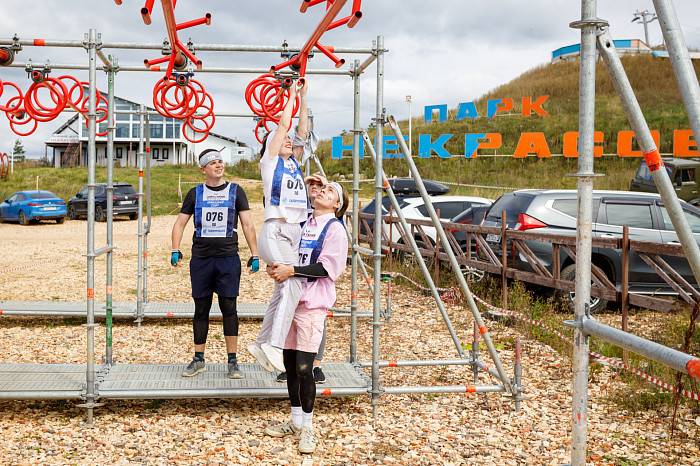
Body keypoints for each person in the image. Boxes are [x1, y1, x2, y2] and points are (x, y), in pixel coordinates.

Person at [264, 181, 349, 454]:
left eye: (331, 192)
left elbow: (326, 268)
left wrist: (291, 270)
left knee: (304, 368)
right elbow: (284, 251)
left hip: (312, 305)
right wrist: (276, 266)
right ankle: (296, 422)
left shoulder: (334, 229)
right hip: (290, 300)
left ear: (337, 205)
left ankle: (309, 428)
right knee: (289, 366)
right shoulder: (301, 223)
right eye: (322, 188)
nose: (323, 191)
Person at [171, 149, 259, 379]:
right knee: (201, 309)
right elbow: (180, 223)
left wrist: (255, 253)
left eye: (221, 161)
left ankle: (232, 361)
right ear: (203, 169)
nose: (219, 165)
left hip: (228, 258)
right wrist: (175, 249)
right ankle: (198, 358)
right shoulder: (195, 193)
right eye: (213, 163)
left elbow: (248, 224)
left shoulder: (236, 191)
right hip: (201, 258)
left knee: (229, 308)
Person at [247, 79, 313, 373]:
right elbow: (285, 127)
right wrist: (288, 96)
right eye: (281, 139)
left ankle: (262, 343)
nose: (288, 141)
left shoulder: (295, 164)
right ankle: (275, 343)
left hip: (295, 232)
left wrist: (304, 97)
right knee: (294, 283)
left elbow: (300, 131)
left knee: (283, 289)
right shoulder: (269, 162)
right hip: (276, 229)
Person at [277, 173, 328, 384]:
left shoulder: (327, 213)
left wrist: (326, 185)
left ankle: (316, 365)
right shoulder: (299, 210)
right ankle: (288, 363)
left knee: (316, 320)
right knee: (289, 316)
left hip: (314, 272)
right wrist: (298, 185)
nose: (315, 188)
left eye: (320, 185)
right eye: (312, 185)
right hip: (293, 267)